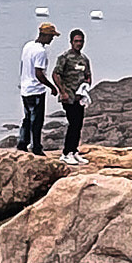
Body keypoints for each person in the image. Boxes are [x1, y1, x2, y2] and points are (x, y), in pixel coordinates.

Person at [16, 23, 57, 155]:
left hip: (25, 88)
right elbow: (39, 73)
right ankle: (36, 147)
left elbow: (24, 65)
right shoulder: (41, 51)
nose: (52, 39)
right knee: (37, 120)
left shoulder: (28, 46)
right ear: (44, 35)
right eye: (51, 36)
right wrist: (52, 86)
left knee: (27, 117)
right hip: (36, 90)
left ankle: (23, 143)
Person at [53, 28, 92, 165]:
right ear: (71, 42)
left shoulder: (84, 59)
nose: (79, 44)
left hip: (79, 98)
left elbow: (88, 75)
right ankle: (66, 153)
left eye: (81, 41)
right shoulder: (64, 58)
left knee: (79, 124)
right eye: (76, 41)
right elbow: (56, 74)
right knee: (73, 123)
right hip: (68, 97)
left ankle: (74, 152)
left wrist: (86, 86)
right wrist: (62, 92)